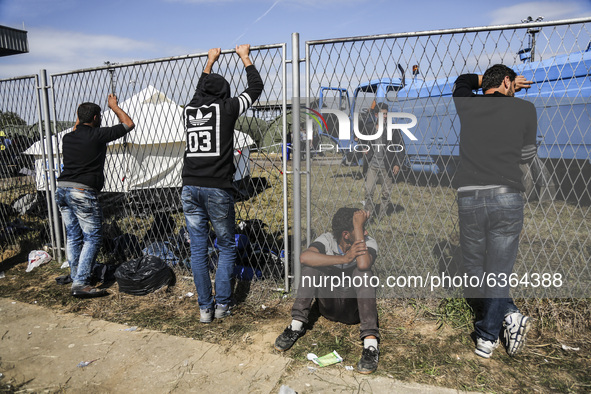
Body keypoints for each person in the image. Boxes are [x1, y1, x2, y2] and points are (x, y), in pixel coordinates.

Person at [452, 65, 537, 358]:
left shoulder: (467, 104)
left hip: (470, 197)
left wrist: (487, 80)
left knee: (474, 268)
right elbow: (527, 154)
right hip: (506, 196)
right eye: (512, 83)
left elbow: (462, 81)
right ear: (506, 81)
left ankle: (498, 323)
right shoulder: (525, 109)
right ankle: (495, 331)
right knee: (498, 272)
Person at [182, 45, 264, 323]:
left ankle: (205, 308)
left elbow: (198, 91)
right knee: (226, 246)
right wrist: (244, 57)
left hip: (189, 186)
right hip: (217, 187)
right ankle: (223, 304)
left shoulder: (190, 109)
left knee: (198, 249)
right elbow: (255, 89)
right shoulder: (227, 108)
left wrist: (209, 61)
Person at [274, 208, 380, 374]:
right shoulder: (327, 240)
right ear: (346, 234)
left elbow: (364, 264)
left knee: (364, 273)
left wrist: (358, 230)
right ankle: (296, 326)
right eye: (360, 228)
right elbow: (304, 257)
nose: (365, 232)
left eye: (363, 228)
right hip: (327, 306)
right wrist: (344, 259)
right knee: (311, 268)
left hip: (353, 312)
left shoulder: (368, 242)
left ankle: (371, 344)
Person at [56, 94, 134, 298]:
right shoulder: (97, 135)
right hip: (82, 192)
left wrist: (79, 115)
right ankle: (81, 283)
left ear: (79, 118)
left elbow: (77, 127)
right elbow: (128, 124)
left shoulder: (68, 137)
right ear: (97, 118)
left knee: (73, 235)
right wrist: (114, 107)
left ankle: (75, 275)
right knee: (93, 237)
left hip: (62, 189)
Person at [362, 102, 405, 221]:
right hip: (372, 166)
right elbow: (363, 139)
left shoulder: (393, 128)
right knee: (369, 191)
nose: (385, 116)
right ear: (376, 115)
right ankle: (368, 217)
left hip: (387, 166)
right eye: (383, 114)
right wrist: (364, 147)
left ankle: (381, 217)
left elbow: (401, 146)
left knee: (385, 194)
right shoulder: (370, 127)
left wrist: (398, 163)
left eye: (386, 114)